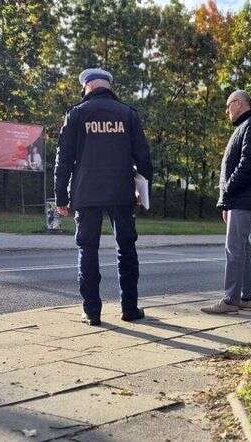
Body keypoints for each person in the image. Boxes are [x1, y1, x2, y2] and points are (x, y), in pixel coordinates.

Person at [55, 68, 154, 326]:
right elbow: (143, 158)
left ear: (86, 86)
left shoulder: (76, 114)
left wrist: (61, 197)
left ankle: (92, 312)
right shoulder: (128, 114)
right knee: (126, 250)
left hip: (86, 194)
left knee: (88, 250)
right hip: (122, 193)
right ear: (109, 86)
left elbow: (63, 159)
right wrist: (141, 192)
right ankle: (129, 309)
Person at [202, 90, 251, 315]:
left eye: (228, 106)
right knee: (242, 248)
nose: (226, 111)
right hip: (239, 198)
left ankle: (230, 300)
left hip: (242, 197)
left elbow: (248, 163)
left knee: (234, 249)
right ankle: (246, 297)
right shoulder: (247, 125)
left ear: (239, 103)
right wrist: (226, 202)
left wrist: (228, 192)